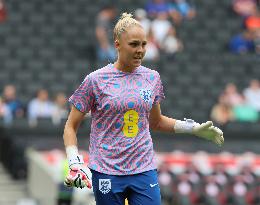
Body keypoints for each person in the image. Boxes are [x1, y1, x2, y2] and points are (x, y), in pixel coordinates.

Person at [63, 12, 224, 205]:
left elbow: (156, 122)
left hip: (143, 168)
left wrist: (193, 128)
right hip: (106, 170)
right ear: (117, 44)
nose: (140, 50)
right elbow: (70, 126)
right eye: (133, 44)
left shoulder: (152, 78)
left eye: (143, 44)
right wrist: (74, 161)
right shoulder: (95, 80)